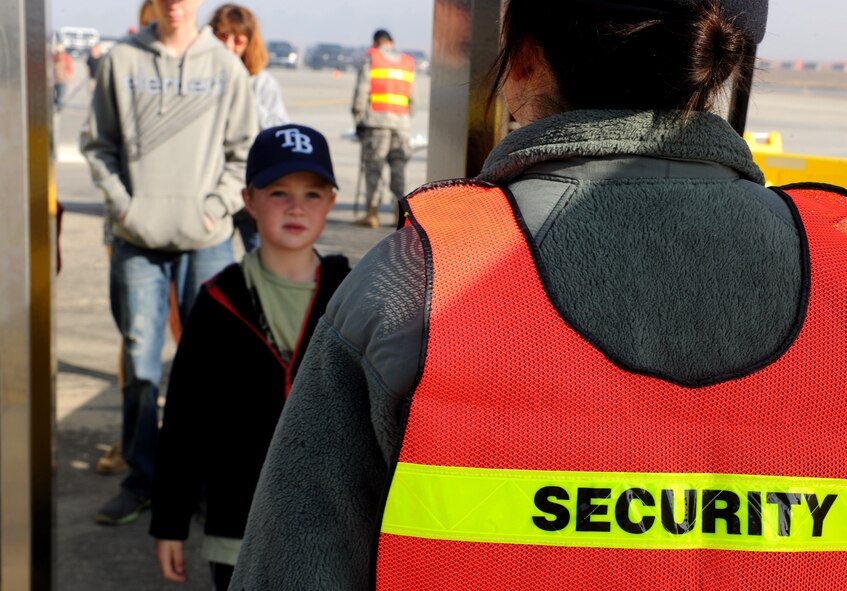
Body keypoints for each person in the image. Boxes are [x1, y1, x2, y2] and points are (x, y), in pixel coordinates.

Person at [231, 0, 847, 588]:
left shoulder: (416, 281)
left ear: (522, 57)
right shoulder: (835, 273)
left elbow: (291, 564)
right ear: (725, 59)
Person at [150, 123, 349, 590]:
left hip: (330, 528)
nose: (296, 206)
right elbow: (184, 420)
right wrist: (169, 523)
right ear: (249, 200)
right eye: (278, 192)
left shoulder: (349, 295)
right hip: (236, 529)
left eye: (313, 193)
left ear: (331, 203)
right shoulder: (219, 300)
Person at [81, 0, 258, 526]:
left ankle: (197, 481)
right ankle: (142, 478)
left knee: (206, 365)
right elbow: (99, 146)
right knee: (139, 359)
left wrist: (215, 207)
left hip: (205, 239)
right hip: (138, 237)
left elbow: (243, 149)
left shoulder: (223, 65)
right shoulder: (121, 60)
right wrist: (124, 206)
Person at [210, 3, 291, 253]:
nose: (229, 47)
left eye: (238, 40)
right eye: (222, 37)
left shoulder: (262, 83)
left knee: (262, 260)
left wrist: (243, 92)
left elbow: (279, 132)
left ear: (249, 44)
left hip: (253, 189)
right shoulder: (200, 81)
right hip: (214, 192)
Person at [351, 29, 415, 228]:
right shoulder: (407, 62)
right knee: (399, 170)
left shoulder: (372, 58)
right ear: (391, 42)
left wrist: (358, 117)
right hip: (401, 124)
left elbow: (362, 91)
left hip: (377, 123)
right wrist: (404, 118)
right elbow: (413, 99)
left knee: (374, 168)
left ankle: (372, 214)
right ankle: (401, 214)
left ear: (375, 42)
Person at [52, 44, 73, 112]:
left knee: (60, 95)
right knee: (54, 95)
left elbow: (69, 67)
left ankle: (59, 106)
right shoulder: (53, 57)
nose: (59, 53)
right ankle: (57, 103)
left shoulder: (66, 58)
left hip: (62, 80)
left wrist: (70, 75)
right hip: (54, 80)